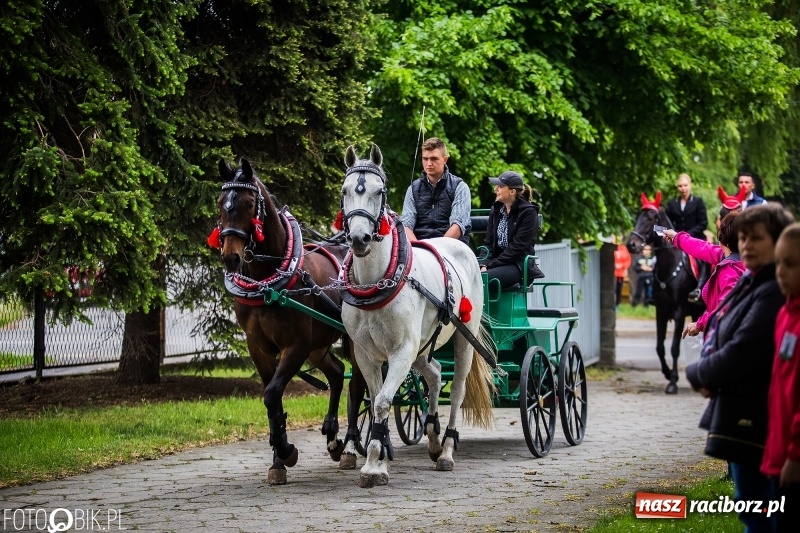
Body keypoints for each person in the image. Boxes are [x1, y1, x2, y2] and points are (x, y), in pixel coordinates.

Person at [685, 204, 795, 533]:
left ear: (778, 242)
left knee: (759, 512)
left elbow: (746, 347)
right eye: (742, 237)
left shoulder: (773, 288)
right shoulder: (752, 279)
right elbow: (721, 322)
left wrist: (699, 374)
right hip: (741, 407)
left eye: (755, 238)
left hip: (756, 414)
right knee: (752, 507)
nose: (746, 245)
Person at [761, 222, 800, 533]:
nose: (781, 272)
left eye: (791, 264)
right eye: (779, 263)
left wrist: (795, 454)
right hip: (777, 451)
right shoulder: (784, 314)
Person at [663, 208, 746, 339]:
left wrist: (699, 324)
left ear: (723, 237)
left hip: (724, 338)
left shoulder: (730, 269)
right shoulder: (731, 257)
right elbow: (702, 248)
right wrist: (676, 237)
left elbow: (724, 310)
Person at [399, 137, 472, 244]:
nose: (429, 163)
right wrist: (418, 249)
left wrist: (436, 250)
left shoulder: (460, 187)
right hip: (419, 248)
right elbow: (406, 225)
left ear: (445, 159)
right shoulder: (413, 189)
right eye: (425, 159)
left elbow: (458, 226)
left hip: (452, 248)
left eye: (434, 159)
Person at [478, 171, 544, 288]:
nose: (496, 189)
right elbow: (488, 243)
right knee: (466, 278)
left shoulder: (528, 212)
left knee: (481, 281)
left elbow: (516, 248)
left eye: (501, 186)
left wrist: (490, 265)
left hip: (518, 264)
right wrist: (483, 264)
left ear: (512, 191)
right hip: (496, 263)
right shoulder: (496, 210)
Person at [665, 173, 709, 303]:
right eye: (680, 186)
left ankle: (700, 287)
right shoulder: (672, 204)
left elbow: (703, 223)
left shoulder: (698, 202)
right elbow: (668, 223)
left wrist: (686, 236)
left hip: (695, 239)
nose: (683, 188)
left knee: (705, 260)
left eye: (685, 185)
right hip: (675, 240)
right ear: (677, 187)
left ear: (690, 185)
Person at [614, 238, 632, 309]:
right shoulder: (613, 248)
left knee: (618, 289)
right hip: (612, 274)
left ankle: (617, 304)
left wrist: (621, 266)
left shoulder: (623, 248)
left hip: (620, 274)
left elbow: (628, 260)